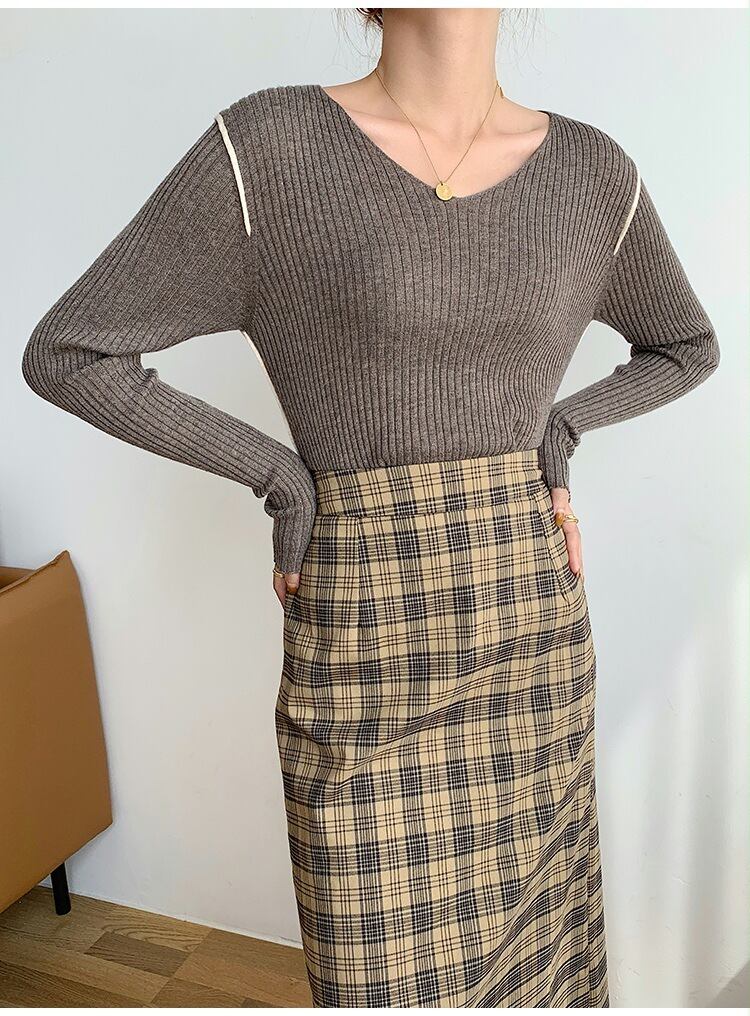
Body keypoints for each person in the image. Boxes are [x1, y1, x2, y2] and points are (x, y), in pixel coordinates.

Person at [21, 8, 719, 1008]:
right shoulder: (265, 151)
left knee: (543, 977)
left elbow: (686, 344)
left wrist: (562, 429)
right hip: (360, 642)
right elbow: (70, 351)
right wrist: (280, 475)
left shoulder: (594, 174)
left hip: (529, 640)